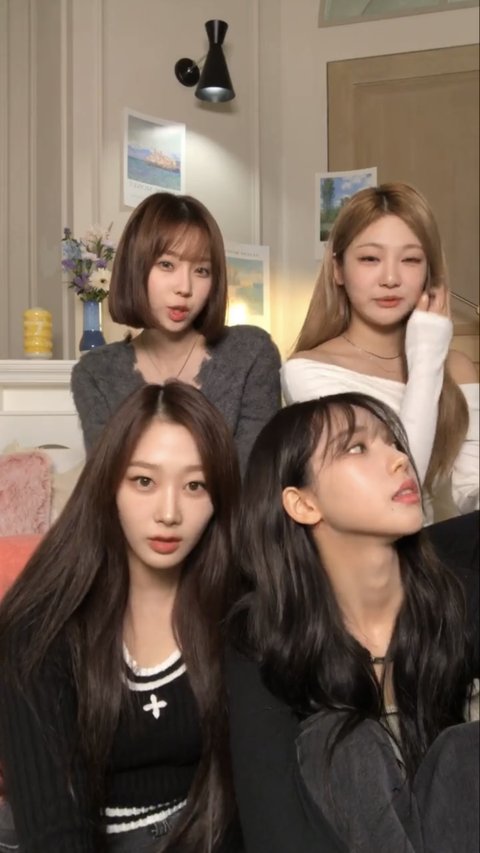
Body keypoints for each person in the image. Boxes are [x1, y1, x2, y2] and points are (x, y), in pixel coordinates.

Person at [227, 392, 479, 853]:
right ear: (303, 504)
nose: (399, 459)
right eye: (357, 447)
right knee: (339, 742)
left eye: (392, 442)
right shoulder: (264, 638)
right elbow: (274, 829)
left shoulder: (454, 597)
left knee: (465, 750)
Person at [0, 382, 242, 852]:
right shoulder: (38, 629)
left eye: (195, 485)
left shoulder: (241, 615)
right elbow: (55, 834)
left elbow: (252, 798)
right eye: (144, 481)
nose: (169, 513)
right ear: (108, 484)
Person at [281, 182, 479, 521]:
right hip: (365, 549)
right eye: (370, 259)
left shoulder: (458, 368)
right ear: (338, 269)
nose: (390, 278)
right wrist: (427, 355)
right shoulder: (308, 371)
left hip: (442, 547)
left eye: (411, 259)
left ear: (428, 272)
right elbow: (391, 489)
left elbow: (471, 490)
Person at [71, 192, 281, 475]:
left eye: (202, 270)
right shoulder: (96, 373)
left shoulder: (250, 353)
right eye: (167, 265)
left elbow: (255, 480)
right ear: (135, 267)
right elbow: (107, 484)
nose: (185, 287)